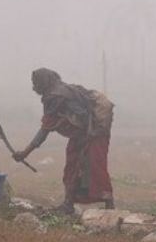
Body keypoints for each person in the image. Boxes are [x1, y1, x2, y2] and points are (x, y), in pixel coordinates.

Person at [13, 67, 114, 212]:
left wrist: (25, 152)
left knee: (95, 165)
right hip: (80, 134)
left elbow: (45, 129)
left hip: (94, 133)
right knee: (72, 166)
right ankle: (69, 203)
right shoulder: (59, 92)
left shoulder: (56, 97)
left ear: (43, 82)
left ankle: (109, 203)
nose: (34, 87)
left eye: (36, 82)